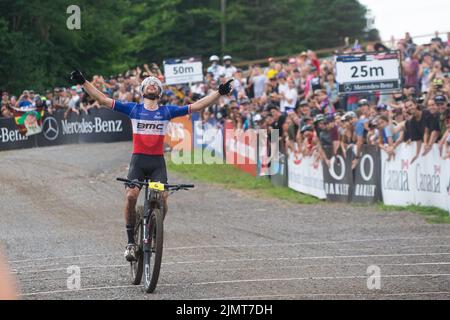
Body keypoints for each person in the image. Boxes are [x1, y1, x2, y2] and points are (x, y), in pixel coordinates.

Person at [70, 70, 234, 262]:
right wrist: (84, 82)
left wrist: (219, 93)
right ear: (142, 91)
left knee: (162, 198)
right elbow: (104, 99)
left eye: (156, 84)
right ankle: (131, 242)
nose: (152, 85)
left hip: (157, 164)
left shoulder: (167, 111)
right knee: (131, 196)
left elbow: (196, 106)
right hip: (138, 162)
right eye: (148, 84)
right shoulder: (133, 109)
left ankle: (155, 230)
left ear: (160, 93)